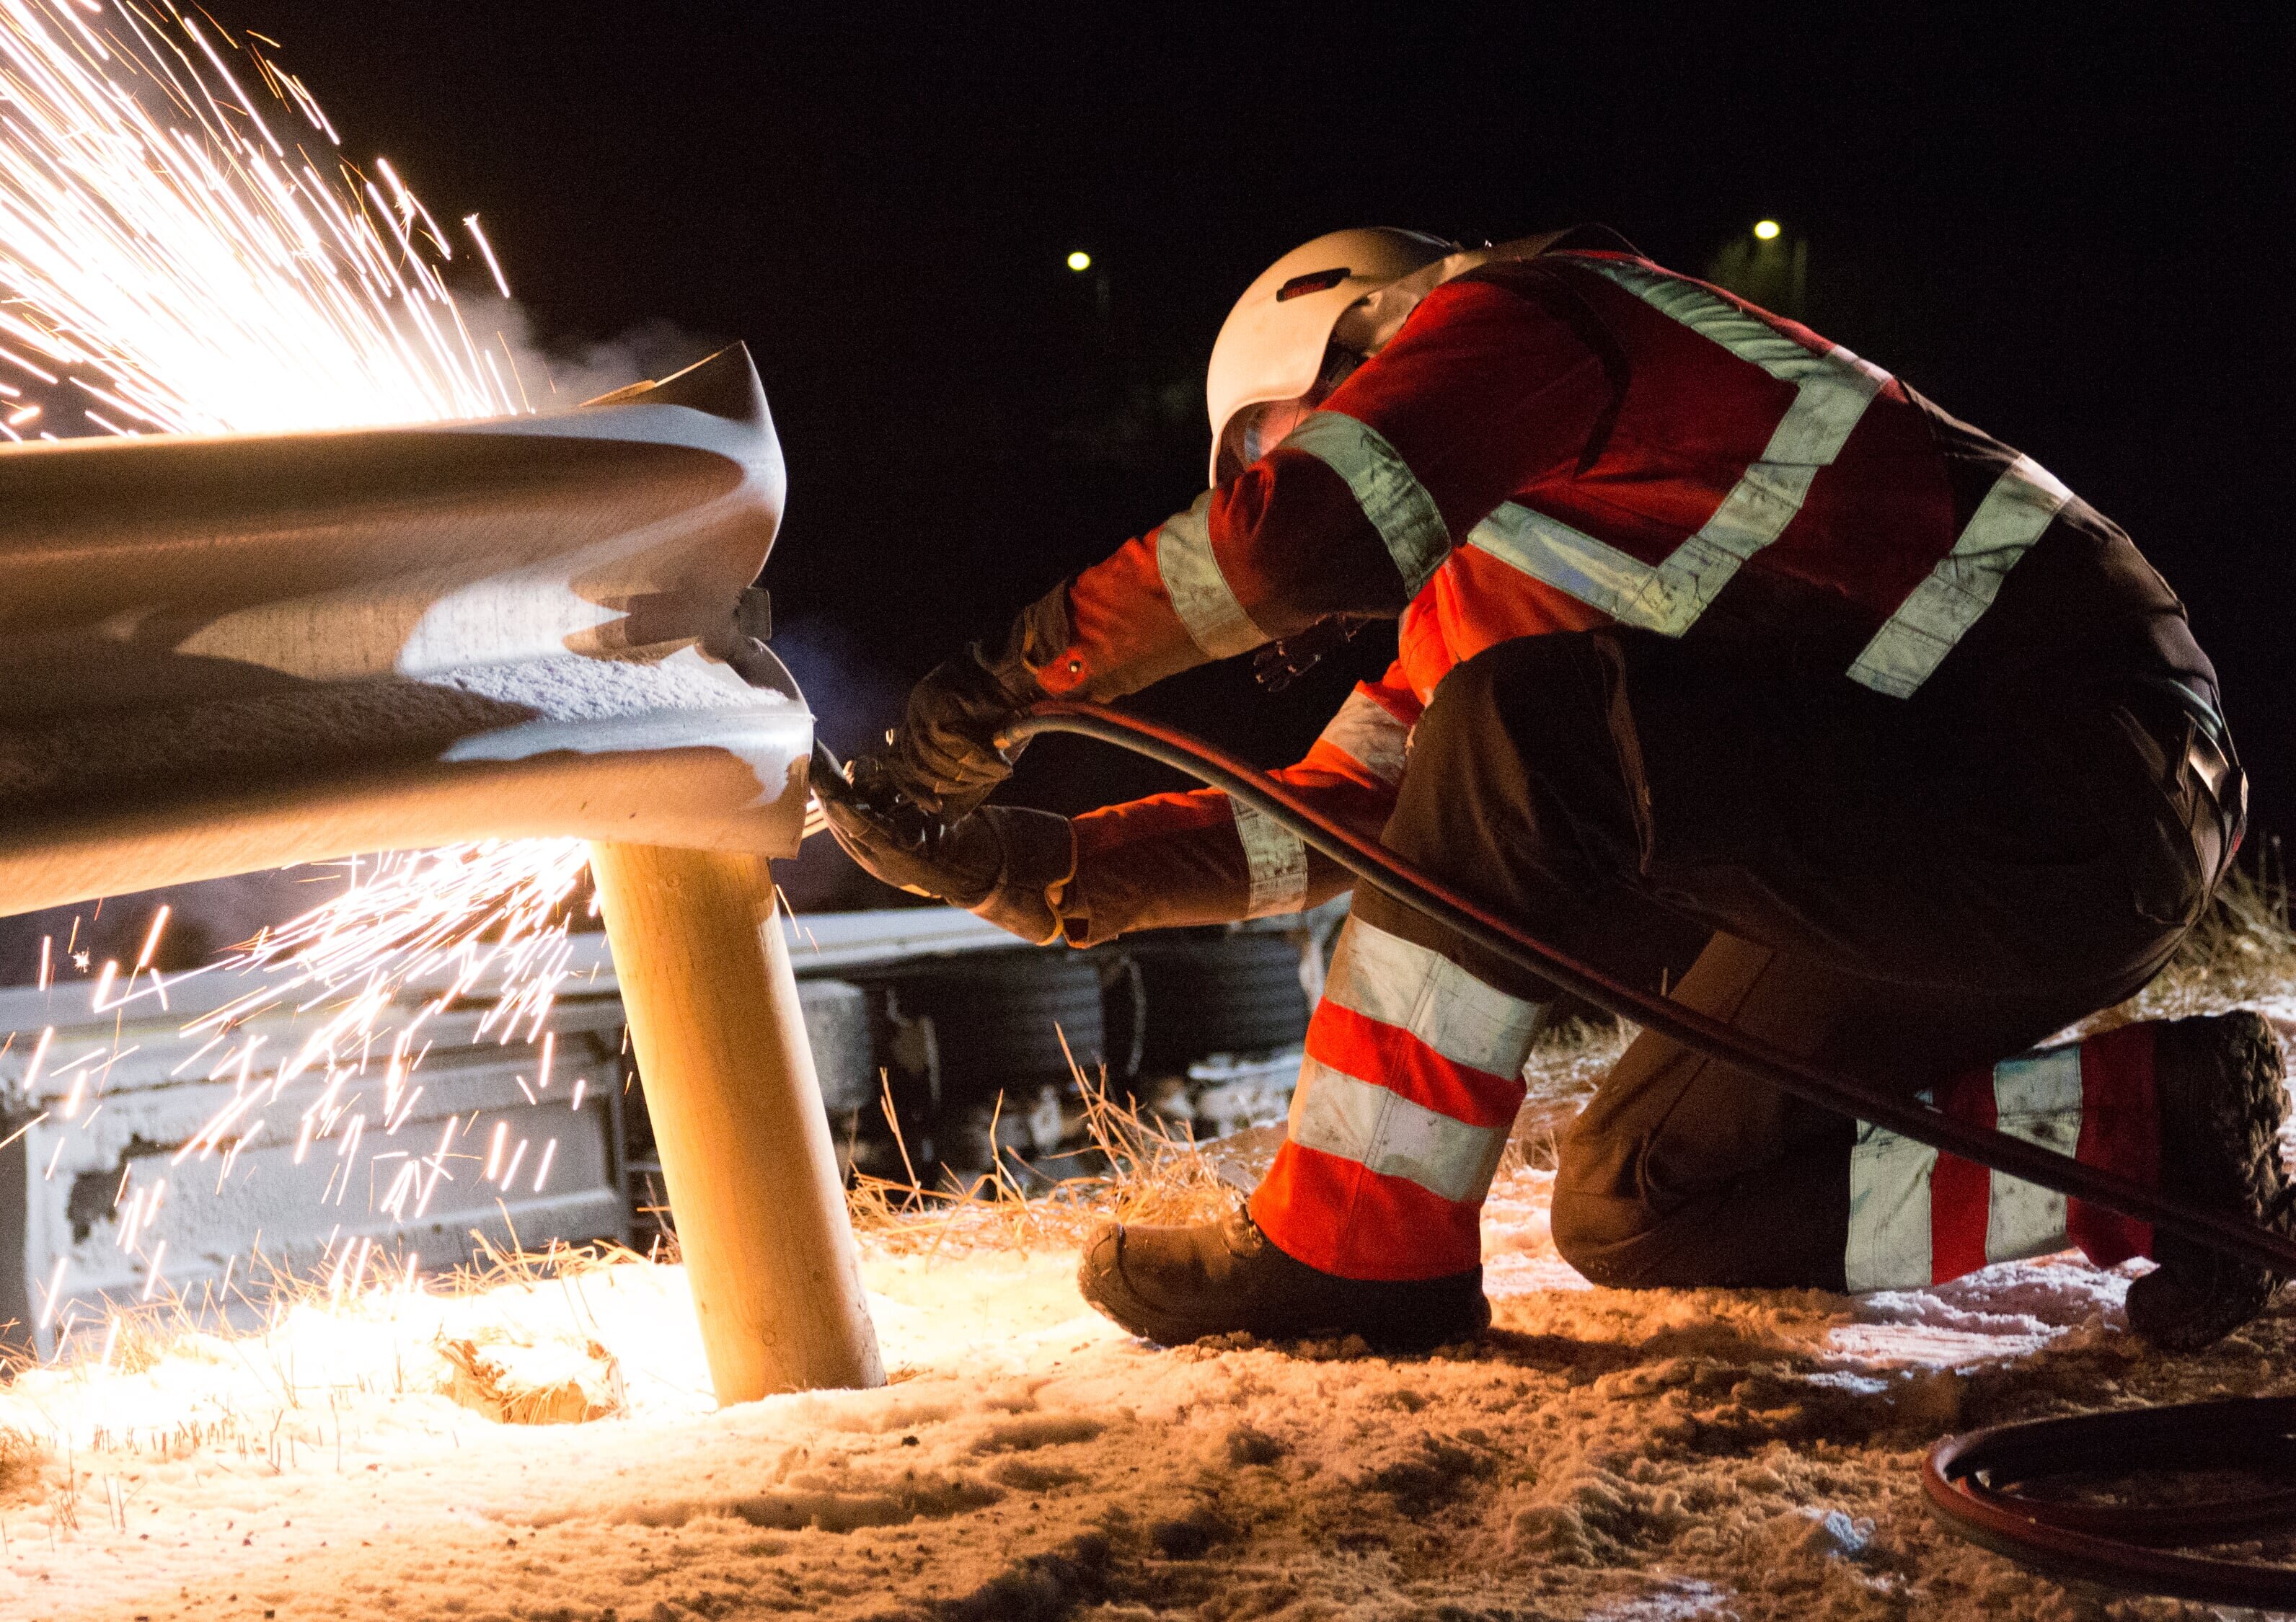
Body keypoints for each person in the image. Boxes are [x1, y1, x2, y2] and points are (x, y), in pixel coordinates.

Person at [814, 225, 2282, 1355]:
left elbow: (1289, 549)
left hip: (2078, 765)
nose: (1278, 477)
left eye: (1272, 445)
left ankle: (1352, 1257)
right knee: (1637, 1206)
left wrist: (1008, 676)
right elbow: (1346, 819)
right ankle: (2164, 1133)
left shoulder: (1529, 315)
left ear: (1360, 344)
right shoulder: (1517, 583)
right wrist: (1033, 866)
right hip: (1959, 845)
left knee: (1513, 729)